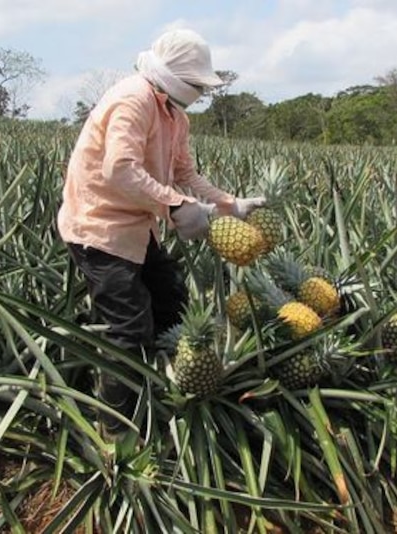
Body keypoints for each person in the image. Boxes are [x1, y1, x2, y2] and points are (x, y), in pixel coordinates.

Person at [56, 28, 265, 438]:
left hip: (137, 223)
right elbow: (120, 169)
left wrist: (228, 203)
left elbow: (185, 172)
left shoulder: (174, 114)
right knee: (128, 328)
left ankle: (168, 391)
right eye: (196, 85)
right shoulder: (132, 99)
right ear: (174, 77)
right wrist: (174, 205)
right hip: (98, 226)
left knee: (171, 303)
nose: (200, 93)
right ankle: (116, 432)